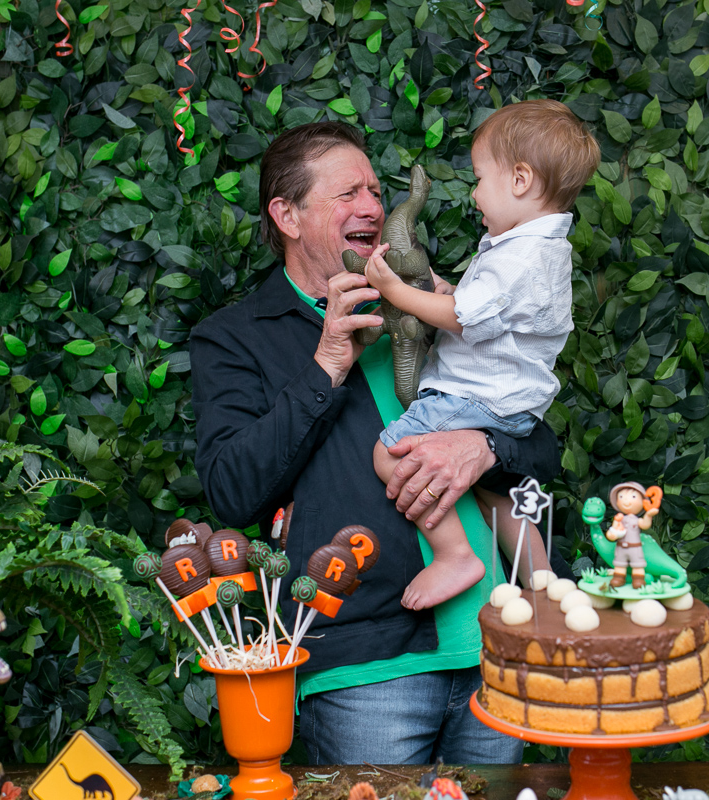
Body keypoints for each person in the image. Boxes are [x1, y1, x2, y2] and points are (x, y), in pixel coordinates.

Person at [190, 121, 562, 765]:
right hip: (364, 668)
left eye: (373, 191)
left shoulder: (437, 303)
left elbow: (539, 442)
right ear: (287, 214)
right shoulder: (236, 338)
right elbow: (232, 491)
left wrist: (485, 449)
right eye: (346, 195)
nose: (372, 207)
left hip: (496, 647)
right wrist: (328, 361)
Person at [361, 100, 600, 610]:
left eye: (479, 179)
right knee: (498, 491)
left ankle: (454, 556)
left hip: (476, 397)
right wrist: (442, 289)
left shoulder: (517, 257)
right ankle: (543, 586)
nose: (474, 194)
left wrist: (393, 290)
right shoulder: (539, 249)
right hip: (514, 405)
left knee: (392, 454)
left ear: (519, 179)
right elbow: (483, 311)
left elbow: (462, 318)